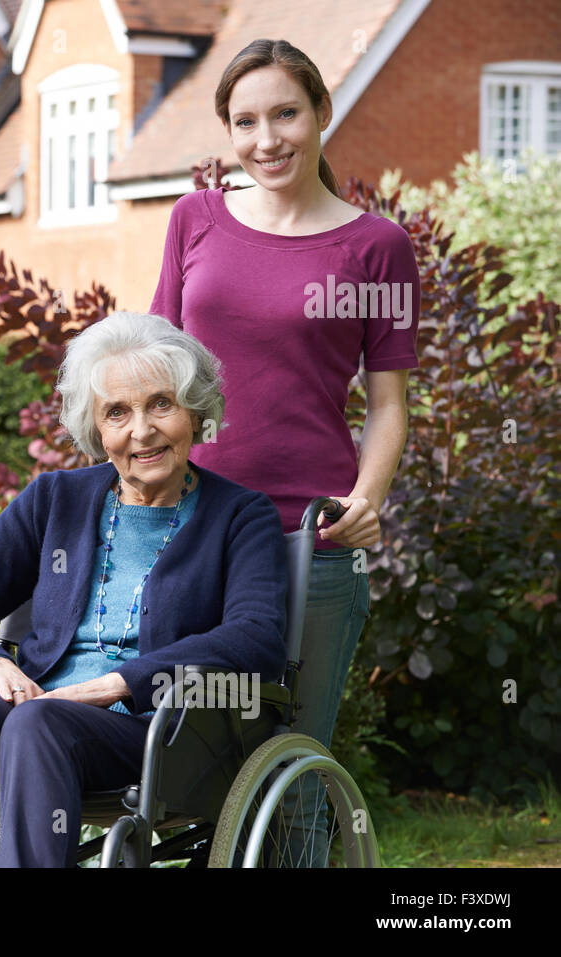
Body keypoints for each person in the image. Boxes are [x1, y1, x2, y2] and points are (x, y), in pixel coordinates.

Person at [0, 311, 288, 867]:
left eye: (161, 404)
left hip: (162, 737)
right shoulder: (57, 499)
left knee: (37, 719)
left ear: (195, 412)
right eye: (117, 412)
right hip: (34, 719)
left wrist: (116, 684)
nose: (141, 431)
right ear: (97, 430)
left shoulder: (241, 516)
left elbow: (256, 639)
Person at [149, 38, 419, 864]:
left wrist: (367, 497)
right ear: (228, 132)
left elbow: (387, 404)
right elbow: (154, 366)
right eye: (245, 121)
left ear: (322, 114)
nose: (267, 139)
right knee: (174, 752)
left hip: (313, 535)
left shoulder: (376, 248)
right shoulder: (195, 219)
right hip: (189, 527)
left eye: (285, 114)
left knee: (293, 770)